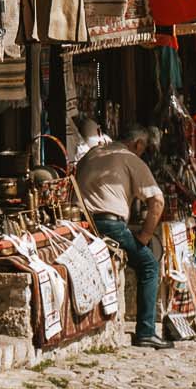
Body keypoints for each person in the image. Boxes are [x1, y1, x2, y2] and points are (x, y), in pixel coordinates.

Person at [75, 122, 169, 349]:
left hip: (81, 223)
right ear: (137, 144)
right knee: (149, 264)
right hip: (108, 224)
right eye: (143, 148)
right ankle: (146, 331)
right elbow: (157, 201)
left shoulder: (92, 153)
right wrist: (145, 236)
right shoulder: (130, 158)